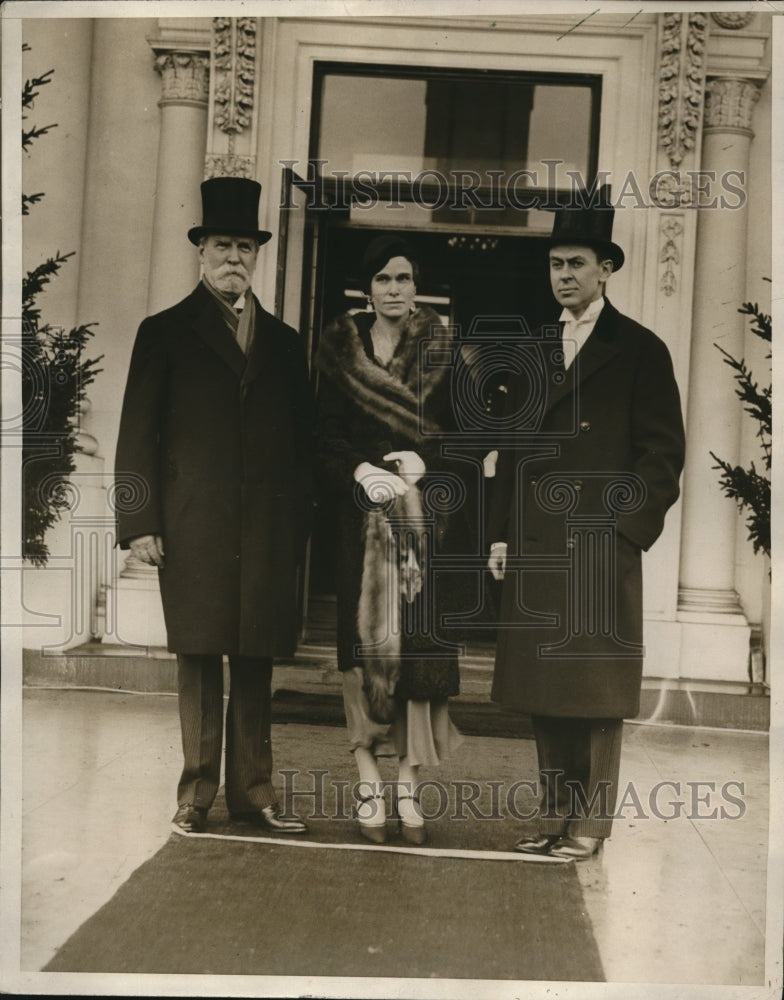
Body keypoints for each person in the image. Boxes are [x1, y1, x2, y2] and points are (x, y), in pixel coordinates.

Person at [487, 187, 685, 860]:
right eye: (555, 264)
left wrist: (623, 532)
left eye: (576, 263)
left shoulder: (639, 350)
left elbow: (662, 458)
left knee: (597, 692)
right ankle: (552, 813)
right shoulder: (535, 347)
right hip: (539, 545)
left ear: (606, 269)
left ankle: (592, 824)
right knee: (547, 686)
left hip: (600, 544)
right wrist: (502, 535)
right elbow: (512, 451)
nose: (564, 276)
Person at [115, 177, 313, 835]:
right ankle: (196, 795)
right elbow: (136, 435)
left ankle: (253, 794)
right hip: (193, 527)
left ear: (256, 255)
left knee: (254, 657)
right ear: (201, 251)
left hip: (263, 531)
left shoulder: (285, 344)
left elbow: (301, 445)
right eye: (222, 244)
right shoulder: (164, 332)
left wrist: (297, 527)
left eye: (244, 246)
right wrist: (139, 523)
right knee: (199, 659)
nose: (234, 257)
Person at [315, 235, 463, 845]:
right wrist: (360, 471)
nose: (395, 289)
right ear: (365, 288)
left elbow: (465, 438)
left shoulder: (443, 352)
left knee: (420, 657)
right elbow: (319, 437)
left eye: (404, 278)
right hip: (359, 524)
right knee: (363, 650)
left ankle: (408, 780)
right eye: (383, 279)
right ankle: (368, 778)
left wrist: (425, 466)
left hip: (420, 527)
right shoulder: (337, 350)